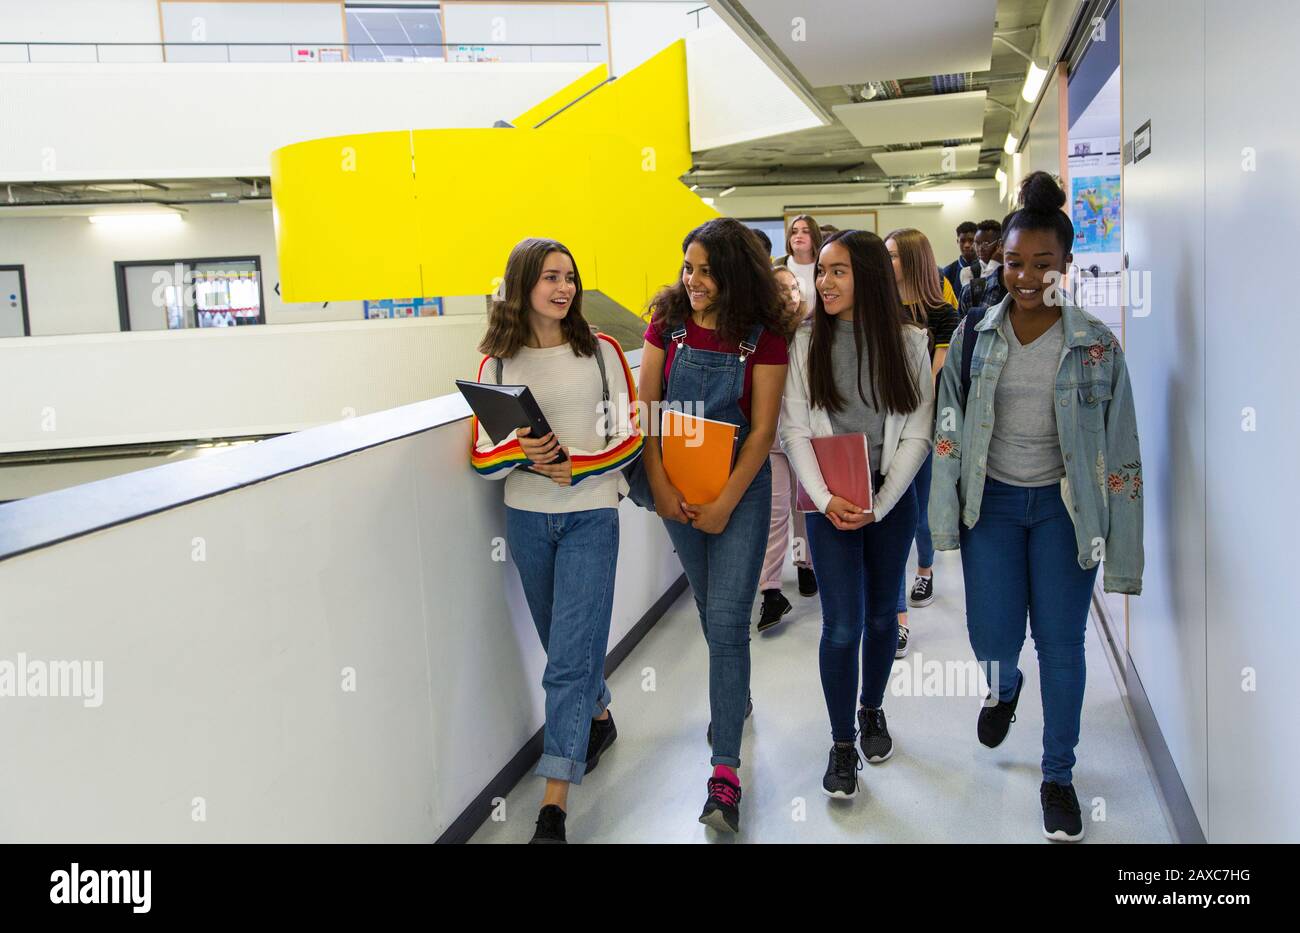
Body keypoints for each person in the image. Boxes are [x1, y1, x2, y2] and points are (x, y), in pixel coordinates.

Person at [930, 172, 1144, 842]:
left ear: (1067, 266)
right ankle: (1005, 685)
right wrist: (942, 521)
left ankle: (1058, 775)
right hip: (990, 504)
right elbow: (947, 431)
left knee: (1062, 643)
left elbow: (1123, 454)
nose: (1025, 276)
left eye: (1042, 264)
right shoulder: (973, 337)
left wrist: (1125, 555)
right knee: (992, 637)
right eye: (1014, 262)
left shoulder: (1097, 346)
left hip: (1063, 511)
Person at [470, 237, 643, 844]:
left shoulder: (602, 353)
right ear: (523, 286)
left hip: (593, 513)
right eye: (550, 277)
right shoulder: (496, 362)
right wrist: (523, 452)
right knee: (561, 644)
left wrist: (581, 468)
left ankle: (553, 804)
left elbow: (631, 439)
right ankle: (598, 714)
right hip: (526, 518)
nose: (564, 287)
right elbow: (483, 457)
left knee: (567, 661)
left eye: (569, 276)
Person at [639, 217, 788, 833]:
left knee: (727, 622)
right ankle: (736, 696)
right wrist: (662, 485)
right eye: (687, 267)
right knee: (711, 610)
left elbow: (762, 429)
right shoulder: (666, 323)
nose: (692, 281)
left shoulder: (765, 335)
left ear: (732, 274)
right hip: (675, 486)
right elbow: (647, 410)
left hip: (738, 492)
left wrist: (727, 499)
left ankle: (723, 777)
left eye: (705, 270)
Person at [780, 230, 932, 799]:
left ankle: (872, 709)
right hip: (830, 504)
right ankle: (842, 743)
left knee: (878, 621)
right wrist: (824, 501)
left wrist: (881, 504)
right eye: (821, 271)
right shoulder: (804, 342)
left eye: (838, 271)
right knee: (841, 626)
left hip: (890, 503)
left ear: (866, 275)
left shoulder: (909, 342)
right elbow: (793, 430)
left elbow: (917, 432)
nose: (824, 282)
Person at [884, 228, 960, 656]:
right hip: (884, 431)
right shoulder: (877, 309)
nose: (885, 261)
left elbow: (931, 379)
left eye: (892, 255)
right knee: (893, 519)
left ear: (912, 260)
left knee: (920, 516)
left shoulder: (942, 313)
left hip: (924, 428)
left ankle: (926, 569)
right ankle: (898, 618)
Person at [757, 266, 816, 632]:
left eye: (794, 287)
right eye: (781, 289)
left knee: (804, 508)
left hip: (807, 438)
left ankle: (806, 565)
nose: (790, 294)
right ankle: (770, 589)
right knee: (776, 512)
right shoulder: (761, 335)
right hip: (772, 439)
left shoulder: (813, 332)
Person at [774, 214, 821, 318]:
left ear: (815, 237)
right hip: (786, 327)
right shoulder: (780, 263)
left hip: (818, 327)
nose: (798, 235)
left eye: (806, 231)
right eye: (794, 232)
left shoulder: (822, 265)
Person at [941, 221, 979, 294]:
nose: (967, 245)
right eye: (962, 241)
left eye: (971, 240)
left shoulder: (987, 269)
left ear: (977, 241)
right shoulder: (947, 272)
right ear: (957, 241)